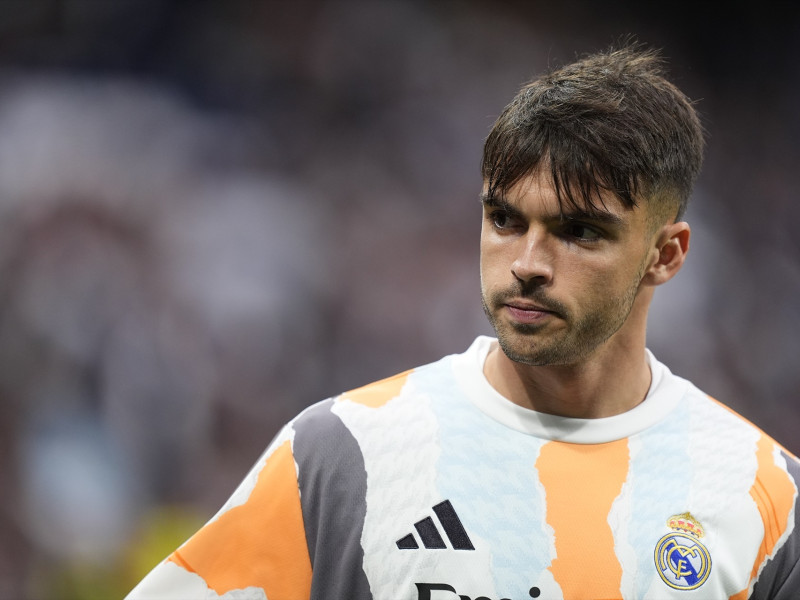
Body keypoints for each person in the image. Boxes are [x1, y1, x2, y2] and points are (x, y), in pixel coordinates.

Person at [125, 43, 800, 600]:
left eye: (580, 232)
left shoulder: (766, 496)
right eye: (505, 219)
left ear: (666, 255)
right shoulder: (344, 456)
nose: (528, 263)